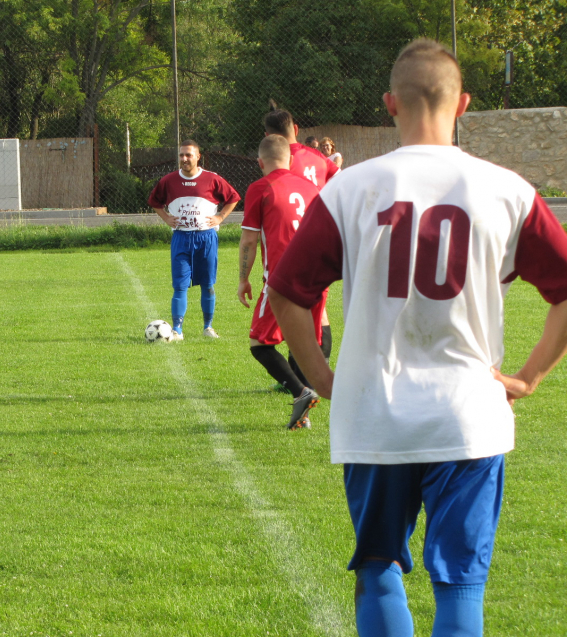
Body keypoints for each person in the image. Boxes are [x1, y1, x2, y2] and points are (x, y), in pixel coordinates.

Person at [268, 38, 567, 637]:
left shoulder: (349, 188)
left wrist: (326, 379)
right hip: (468, 413)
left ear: (389, 105)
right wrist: (529, 377)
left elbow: (287, 291)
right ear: (463, 107)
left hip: (375, 411)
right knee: (459, 582)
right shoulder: (507, 189)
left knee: (378, 570)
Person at [238, 135, 323, 429]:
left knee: (259, 344)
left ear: (260, 162)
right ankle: (305, 415)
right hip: (316, 277)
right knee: (304, 344)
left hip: (282, 281)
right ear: (290, 159)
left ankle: (301, 392)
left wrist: (243, 279)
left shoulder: (261, 187)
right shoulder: (311, 187)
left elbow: (249, 238)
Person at [263, 108, 336, 379]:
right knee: (319, 310)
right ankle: (315, 372)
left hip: (289, 243)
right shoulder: (317, 157)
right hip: (321, 239)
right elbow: (340, 183)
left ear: (267, 136)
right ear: (296, 130)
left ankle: (303, 378)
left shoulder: (278, 159)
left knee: (293, 310)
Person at [148, 140, 240, 339]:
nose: (184, 159)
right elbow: (154, 201)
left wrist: (220, 217)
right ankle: (177, 330)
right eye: (181, 155)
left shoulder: (212, 179)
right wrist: (166, 217)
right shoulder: (169, 180)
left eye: (189, 155)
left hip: (206, 238)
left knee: (207, 284)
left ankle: (208, 327)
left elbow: (233, 197)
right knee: (180, 285)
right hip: (181, 237)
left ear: (198, 157)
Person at [263, 109, 339, 189]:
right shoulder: (317, 155)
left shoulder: (276, 163)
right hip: (320, 200)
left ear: (267, 136)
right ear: (296, 129)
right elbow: (339, 176)